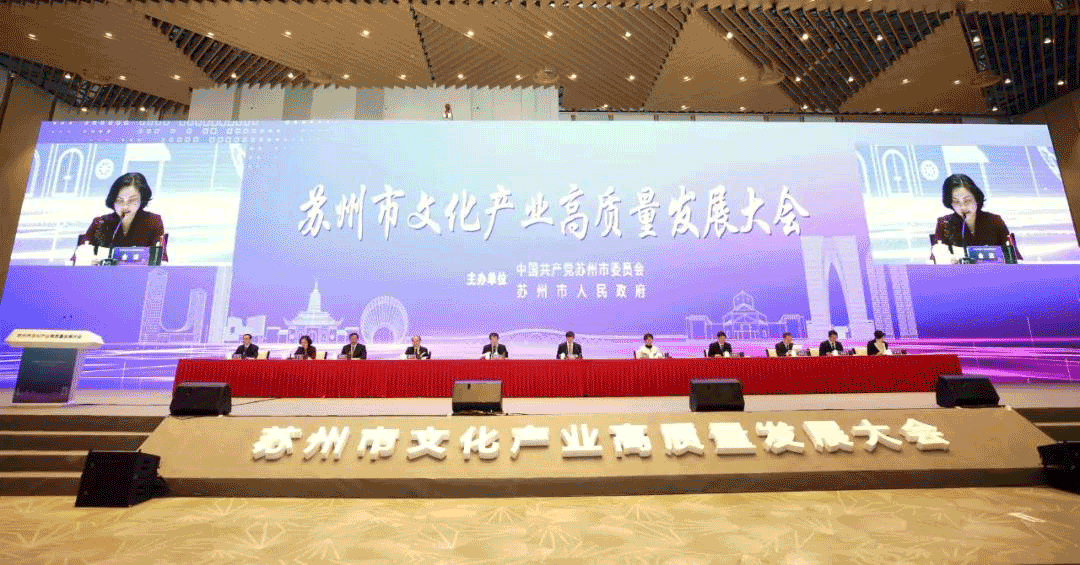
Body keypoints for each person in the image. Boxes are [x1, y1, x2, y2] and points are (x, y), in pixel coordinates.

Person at [81, 172, 167, 254]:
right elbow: (79, 256)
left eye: (132, 200)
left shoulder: (153, 221)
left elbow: (161, 258)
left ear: (142, 199)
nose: (125, 206)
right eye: (119, 200)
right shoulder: (100, 223)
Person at [933, 174, 1013, 252]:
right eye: (956, 202)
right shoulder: (944, 224)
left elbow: (1014, 255)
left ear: (976, 198)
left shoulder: (995, 220)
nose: (963, 207)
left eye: (967, 200)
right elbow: (936, 257)